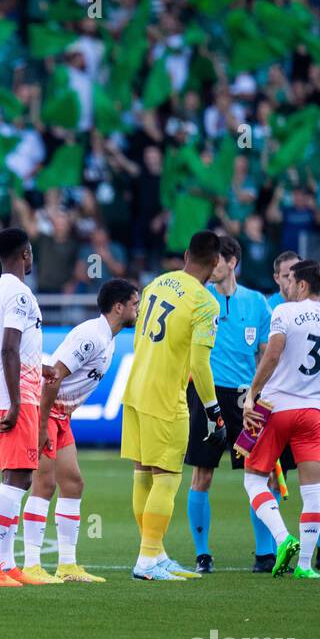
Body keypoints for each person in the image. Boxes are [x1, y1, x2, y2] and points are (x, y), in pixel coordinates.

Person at [20, 277, 139, 582]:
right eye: (135, 304)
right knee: (43, 485)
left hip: (62, 416)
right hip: (45, 411)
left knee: (73, 484)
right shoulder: (92, 336)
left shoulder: (107, 337)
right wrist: (43, 424)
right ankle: (31, 565)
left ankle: (67, 565)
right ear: (119, 307)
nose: (138, 309)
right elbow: (53, 377)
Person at [241, 260, 320, 578]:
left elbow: (272, 354)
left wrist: (252, 393)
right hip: (312, 413)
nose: (287, 286)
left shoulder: (284, 313)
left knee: (253, 479)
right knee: (312, 491)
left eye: (291, 281)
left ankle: (282, 538)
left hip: (274, 408)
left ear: (302, 285)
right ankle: (305, 565)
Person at [121, 230, 223, 581]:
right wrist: (213, 410)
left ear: (185, 255)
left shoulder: (156, 283)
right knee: (167, 478)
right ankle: (147, 558)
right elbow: (199, 363)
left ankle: (155, 552)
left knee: (143, 473)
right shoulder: (206, 301)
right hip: (166, 398)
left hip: (135, 387)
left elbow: (136, 336)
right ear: (214, 264)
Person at [183, 235, 274, 574]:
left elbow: (265, 354)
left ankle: (265, 554)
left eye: (217, 261)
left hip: (246, 398)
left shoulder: (257, 303)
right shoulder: (199, 298)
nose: (211, 267)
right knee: (202, 474)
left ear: (232, 262)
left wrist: (261, 394)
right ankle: (202, 554)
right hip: (207, 395)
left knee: (256, 473)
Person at [0, 227, 45, 587]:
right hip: (16, 394)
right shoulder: (18, 294)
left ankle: (5, 562)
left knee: (18, 475)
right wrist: (17, 402)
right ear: (26, 254)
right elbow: (8, 348)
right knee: (18, 476)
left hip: (5, 389)